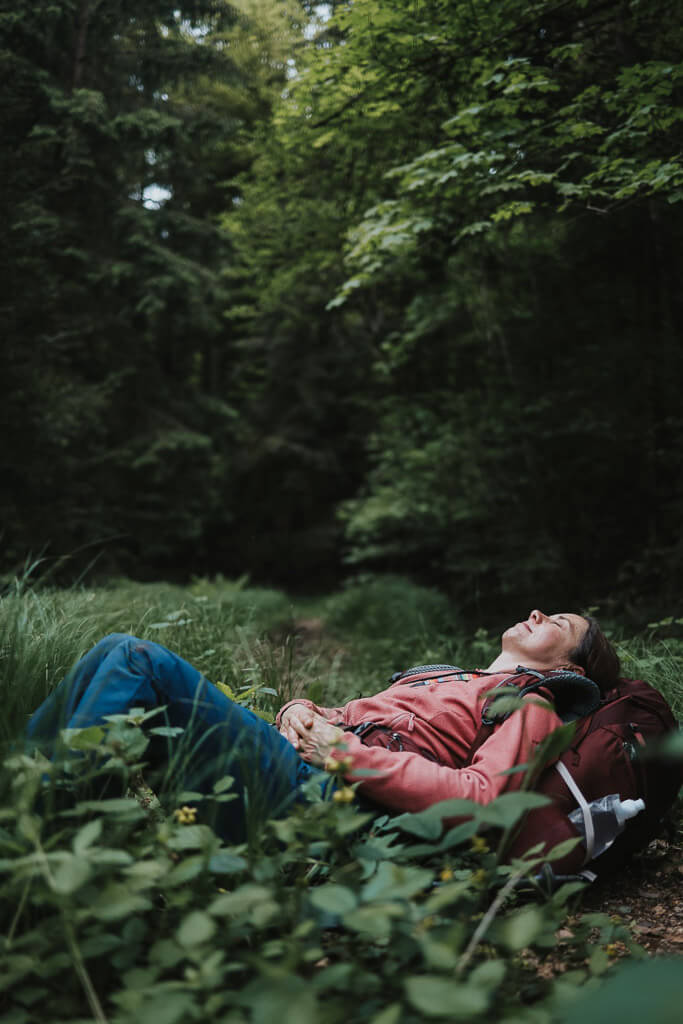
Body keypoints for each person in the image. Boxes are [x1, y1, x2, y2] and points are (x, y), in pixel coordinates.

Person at [26, 609, 620, 843]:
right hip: (302, 770)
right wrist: (298, 711)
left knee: (135, 659)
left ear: (570, 664)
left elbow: (483, 799)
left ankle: (40, 823)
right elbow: (348, 720)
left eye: (559, 621)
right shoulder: (446, 679)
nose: (538, 611)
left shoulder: (532, 704)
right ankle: (32, 795)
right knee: (111, 650)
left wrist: (343, 752)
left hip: (331, 804)